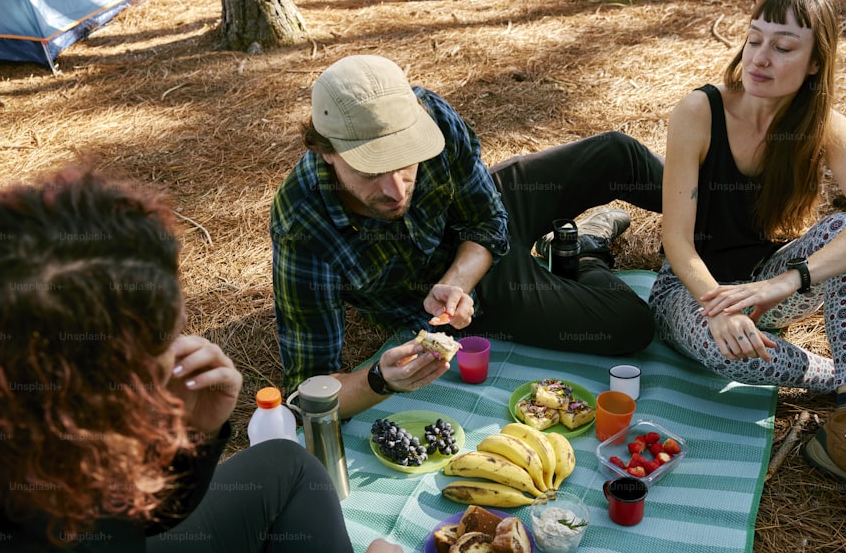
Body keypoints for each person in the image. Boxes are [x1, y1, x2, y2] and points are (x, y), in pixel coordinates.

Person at [0, 169, 416, 553]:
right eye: (161, 347)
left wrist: (193, 439)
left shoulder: (33, 440)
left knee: (284, 465)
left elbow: (129, 522)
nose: (181, 350)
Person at [650, 0, 846, 527]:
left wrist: (784, 283)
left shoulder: (824, 126)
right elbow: (677, 240)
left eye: (784, 46)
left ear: (816, 61)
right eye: (754, 40)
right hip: (690, 289)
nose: (761, 58)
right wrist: (717, 305)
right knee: (729, 356)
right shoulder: (699, 111)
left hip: (765, 284)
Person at [271, 54, 664, 416]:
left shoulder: (429, 113)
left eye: (406, 161)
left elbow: (487, 219)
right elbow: (307, 393)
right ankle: (586, 252)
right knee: (630, 322)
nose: (396, 190)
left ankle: (722, 234)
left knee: (618, 155)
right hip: (472, 300)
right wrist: (379, 379)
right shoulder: (302, 226)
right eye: (372, 171)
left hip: (472, 247)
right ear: (325, 150)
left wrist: (456, 281)